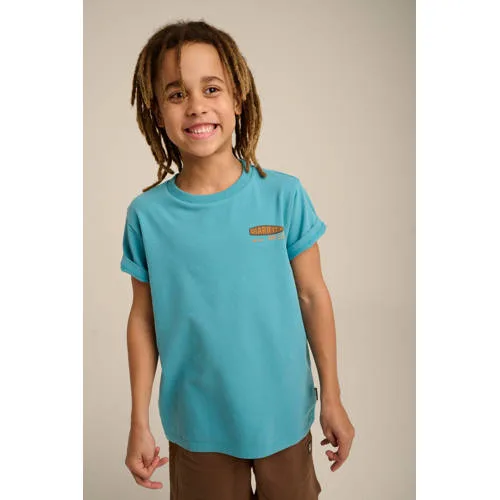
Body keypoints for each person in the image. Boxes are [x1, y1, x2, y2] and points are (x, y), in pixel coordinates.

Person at [120, 19, 355, 499]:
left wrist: (332, 396)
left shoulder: (283, 195)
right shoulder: (147, 215)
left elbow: (313, 295)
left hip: (283, 415)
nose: (196, 106)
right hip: (196, 425)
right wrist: (138, 420)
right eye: (176, 94)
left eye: (211, 88)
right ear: (157, 112)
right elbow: (143, 318)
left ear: (238, 99)